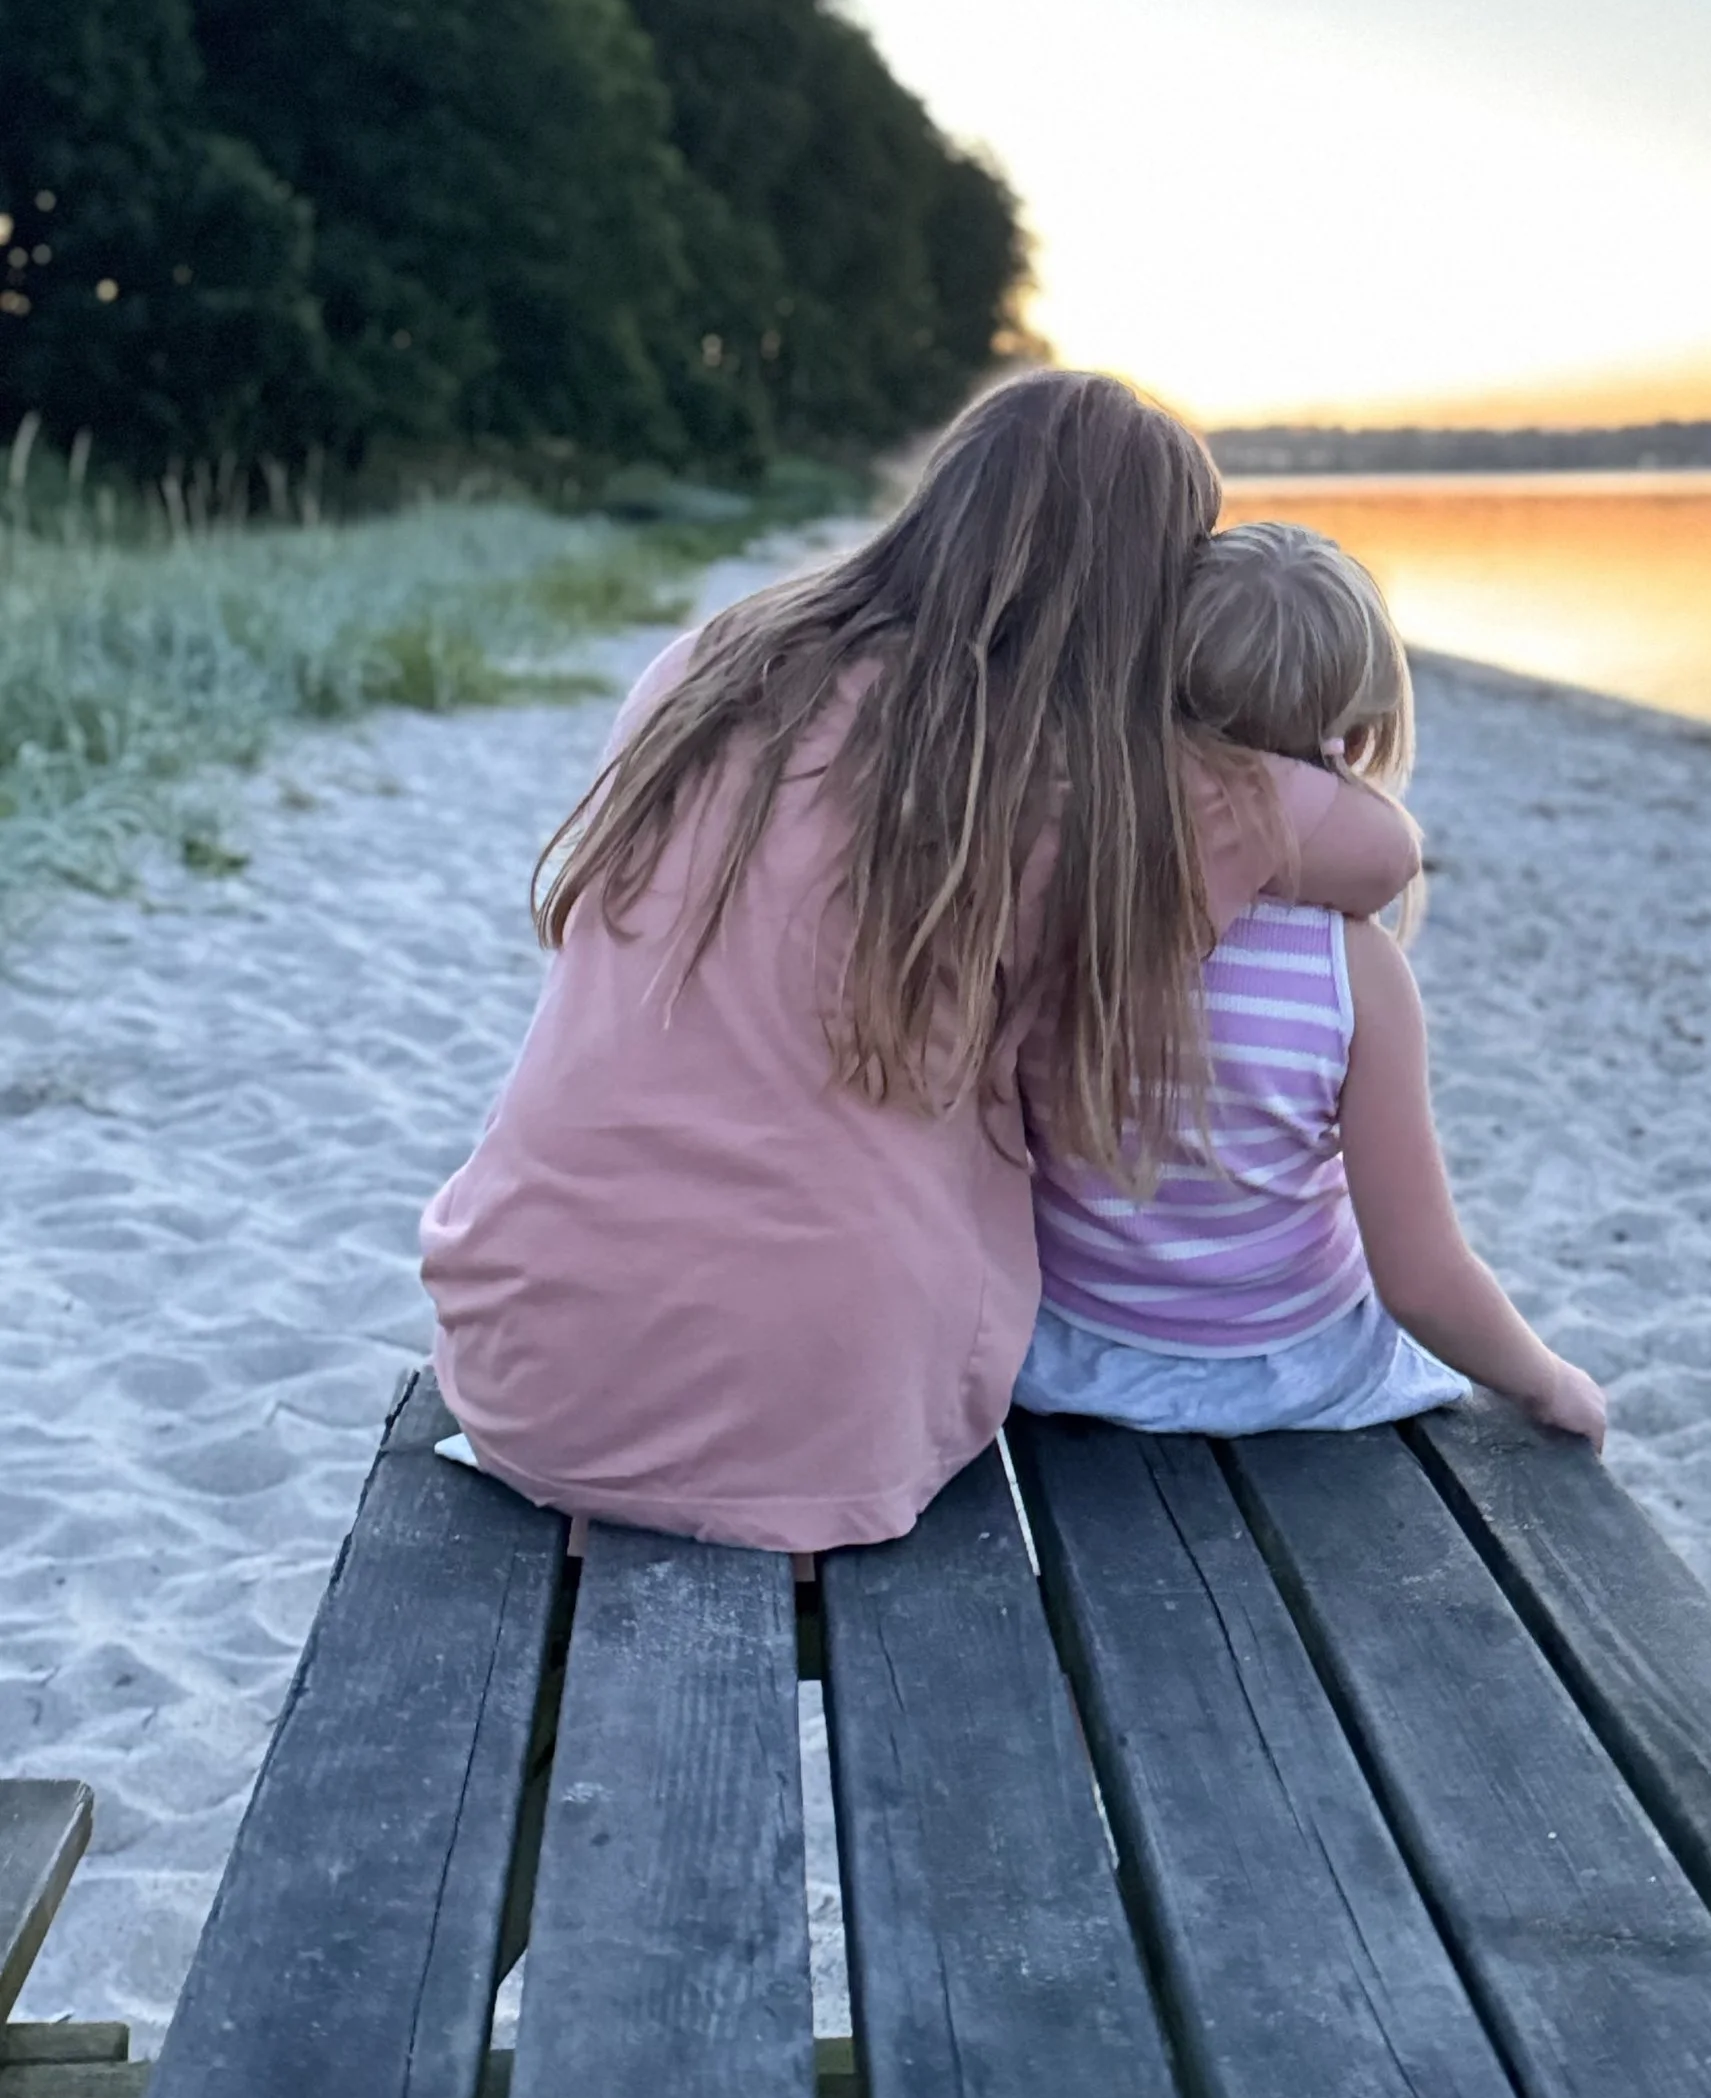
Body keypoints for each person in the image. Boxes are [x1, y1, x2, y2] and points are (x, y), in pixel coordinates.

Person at [420, 373, 1422, 1553]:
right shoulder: (1073, 771)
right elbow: (1379, 851)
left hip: (525, 1354)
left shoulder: (709, 667)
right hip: (827, 1404)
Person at [1014, 518, 1607, 1445]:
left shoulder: (1063, 908)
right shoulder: (1355, 968)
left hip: (1070, 1347)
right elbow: (1418, 1276)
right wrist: (1549, 1381)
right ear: (1360, 732)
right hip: (1285, 1370)